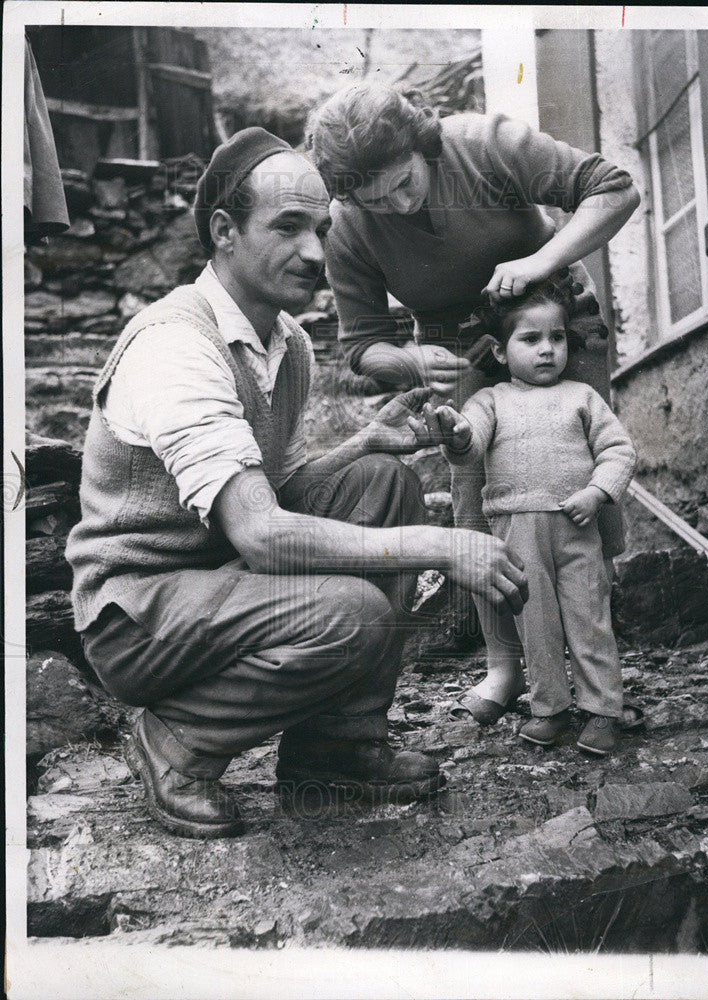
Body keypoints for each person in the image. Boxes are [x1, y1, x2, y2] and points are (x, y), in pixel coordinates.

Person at [65, 127, 529, 839]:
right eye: (288, 227)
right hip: (140, 609)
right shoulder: (176, 348)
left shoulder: (288, 342)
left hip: (218, 579)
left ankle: (336, 746)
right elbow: (260, 532)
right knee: (352, 611)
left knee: (382, 481)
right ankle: (178, 743)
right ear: (223, 230)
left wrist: (361, 446)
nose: (315, 253)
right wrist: (442, 545)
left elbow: (266, 491)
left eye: (322, 228)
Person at [306, 83, 640, 717]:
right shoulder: (349, 226)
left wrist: (543, 259)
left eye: (405, 183)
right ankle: (506, 665)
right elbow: (361, 346)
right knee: (477, 503)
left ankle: (595, 657)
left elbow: (616, 188)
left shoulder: (484, 146)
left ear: (421, 145)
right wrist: (407, 361)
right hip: (456, 348)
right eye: (376, 200)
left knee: (578, 480)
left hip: (551, 321)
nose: (398, 207)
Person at [428, 279, 636, 756]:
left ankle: (603, 710)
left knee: (589, 617)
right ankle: (550, 708)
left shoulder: (583, 396)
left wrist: (597, 492)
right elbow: (470, 446)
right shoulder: (489, 401)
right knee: (535, 622)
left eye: (557, 338)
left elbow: (618, 450)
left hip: (576, 527)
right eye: (531, 339)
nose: (547, 350)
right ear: (501, 352)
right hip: (516, 531)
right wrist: (456, 434)